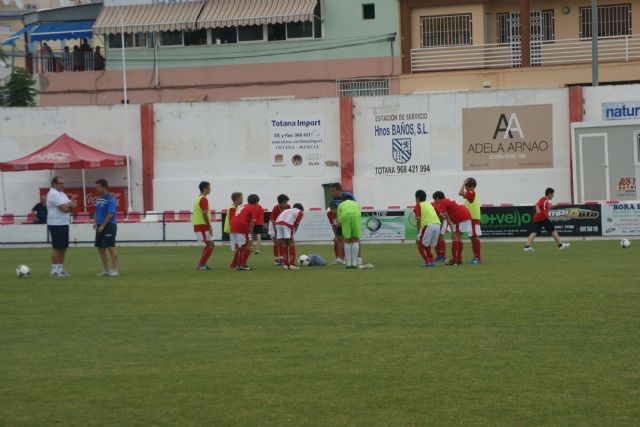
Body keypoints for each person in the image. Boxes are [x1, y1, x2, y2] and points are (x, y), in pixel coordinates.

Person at [46, 176, 76, 278]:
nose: (63, 185)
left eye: (63, 183)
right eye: (60, 183)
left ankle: (60, 269)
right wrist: (69, 206)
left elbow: (72, 205)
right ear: (54, 184)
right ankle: (54, 270)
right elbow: (64, 208)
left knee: (63, 247)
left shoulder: (61, 194)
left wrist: (69, 206)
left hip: (63, 223)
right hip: (56, 223)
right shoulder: (53, 193)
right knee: (57, 247)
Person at [433, 191, 472, 266]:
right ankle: (459, 259)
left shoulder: (442, 202)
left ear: (437, 198)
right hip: (466, 215)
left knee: (454, 237)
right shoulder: (447, 200)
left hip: (461, 217)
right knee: (459, 237)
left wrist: (450, 225)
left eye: (435, 200)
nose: (435, 202)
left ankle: (455, 260)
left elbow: (446, 215)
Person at [330, 183, 362, 265]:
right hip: (341, 219)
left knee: (355, 238)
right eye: (331, 191)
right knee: (340, 238)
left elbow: (353, 206)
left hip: (350, 217)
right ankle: (340, 259)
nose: (332, 193)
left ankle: (359, 258)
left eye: (334, 191)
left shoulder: (348, 196)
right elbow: (333, 211)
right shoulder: (333, 199)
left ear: (339, 190)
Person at [94, 179, 119, 276]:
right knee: (100, 249)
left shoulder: (110, 198)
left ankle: (115, 270)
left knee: (111, 247)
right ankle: (106, 270)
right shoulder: (98, 198)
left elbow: (110, 214)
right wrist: (95, 222)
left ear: (104, 187)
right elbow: (97, 211)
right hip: (100, 226)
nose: (96, 189)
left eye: (98, 187)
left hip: (109, 226)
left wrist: (103, 225)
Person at [230, 194, 259, 271]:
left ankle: (238, 264)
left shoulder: (244, 206)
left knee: (242, 246)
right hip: (241, 226)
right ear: (256, 202)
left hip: (233, 225)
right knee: (248, 243)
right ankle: (242, 265)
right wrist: (250, 233)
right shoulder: (253, 208)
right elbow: (252, 222)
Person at [414, 190, 442, 267]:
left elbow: (418, 220)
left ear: (418, 198)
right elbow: (441, 215)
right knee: (427, 244)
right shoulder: (431, 203)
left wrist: (418, 233)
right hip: (437, 224)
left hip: (428, 225)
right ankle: (431, 261)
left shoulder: (418, 205)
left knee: (420, 244)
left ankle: (427, 261)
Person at [459, 178, 482, 264]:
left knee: (474, 237)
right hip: (472, 218)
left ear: (471, 186)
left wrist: (462, 183)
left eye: (466, 186)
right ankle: (476, 257)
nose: (465, 188)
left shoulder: (472, 193)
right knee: (473, 237)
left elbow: (460, 193)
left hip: (474, 218)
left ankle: (477, 258)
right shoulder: (471, 193)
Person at [192, 181, 214, 271]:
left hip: (199, 224)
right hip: (202, 225)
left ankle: (202, 264)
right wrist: (209, 226)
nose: (210, 189)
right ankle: (201, 265)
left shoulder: (198, 198)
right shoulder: (203, 199)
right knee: (210, 245)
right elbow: (204, 214)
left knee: (211, 245)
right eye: (209, 187)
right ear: (204, 189)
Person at [275, 203, 304, 270]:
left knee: (284, 244)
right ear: (301, 209)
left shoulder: (287, 210)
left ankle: (286, 265)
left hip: (278, 224)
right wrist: (292, 235)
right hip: (287, 224)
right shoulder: (300, 212)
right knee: (291, 243)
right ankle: (292, 265)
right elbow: (296, 225)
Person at [337, 195, 362, 269]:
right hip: (356, 215)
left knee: (347, 239)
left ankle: (348, 264)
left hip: (346, 215)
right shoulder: (356, 204)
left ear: (343, 200)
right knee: (355, 238)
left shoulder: (341, 205)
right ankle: (354, 264)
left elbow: (338, 220)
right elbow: (359, 214)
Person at [268, 194, 290, 266]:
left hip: (281, 225)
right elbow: (274, 223)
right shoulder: (275, 209)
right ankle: (276, 260)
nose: (287, 204)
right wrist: (277, 235)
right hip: (273, 226)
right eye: (285, 202)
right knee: (276, 243)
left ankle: (281, 258)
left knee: (282, 243)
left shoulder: (288, 207)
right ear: (280, 203)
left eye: (287, 202)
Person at [225, 192, 243, 268]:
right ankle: (235, 263)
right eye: (241, 198)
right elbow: (232, 221)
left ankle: (235, 263)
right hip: (233, 230)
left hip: (234, 230)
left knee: (239, 246)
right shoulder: (232, 208)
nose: (242, 200)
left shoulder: (235, 207)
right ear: (236, 199)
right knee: (238, 246)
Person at [327, 199, 345, 264]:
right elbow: (333, 225)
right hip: (338, 228)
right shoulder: (329, 214)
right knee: (336, 242)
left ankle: (344, 258)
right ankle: (338, 258)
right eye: (330, 208)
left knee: (344, 241)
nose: (331, 210)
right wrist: (335, 235)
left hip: (345, 228)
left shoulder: (342, 212)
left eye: (333, 208)